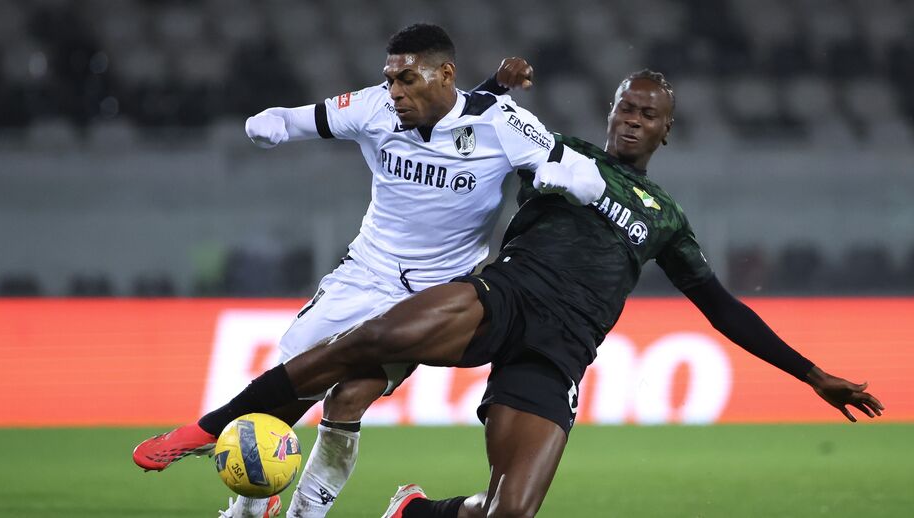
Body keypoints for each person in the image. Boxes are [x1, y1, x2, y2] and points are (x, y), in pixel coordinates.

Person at [136, 71, 885, 517]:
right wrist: (490, 85)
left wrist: (810, 373)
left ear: (667, 132)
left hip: (561, 350)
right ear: (612, 112)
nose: (631, 119)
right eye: (625, 106)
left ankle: (415, 512)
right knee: (368, 341)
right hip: (504, 296)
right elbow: (475, 123)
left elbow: (722, 308)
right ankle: (212, 426)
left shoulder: (667, 219)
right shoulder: (562, 154)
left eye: (647, 113)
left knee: (511, 510)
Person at [132, 24, 602, 518]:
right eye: (390, 78)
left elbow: (587, 176)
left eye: (407, 79)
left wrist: (565, 180)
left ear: (445, 75)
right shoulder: (374, 106)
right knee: (291, 375)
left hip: (434, 296)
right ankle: (252, 505)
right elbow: (296, 119)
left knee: (348, 398)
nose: (394, 91)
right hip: (365, 272)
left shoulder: (501, 122)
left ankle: (301, 512)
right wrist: (270, 125)